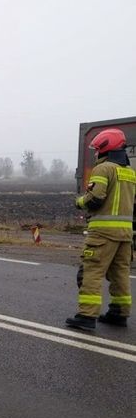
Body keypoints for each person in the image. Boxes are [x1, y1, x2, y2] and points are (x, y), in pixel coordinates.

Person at [66, 128, 134, 330]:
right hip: (126, 234)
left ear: (105, 149)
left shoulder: (103, 169)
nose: (95, 153)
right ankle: (119, 313)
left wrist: (79, 202)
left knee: (91, 271)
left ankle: (86, 316)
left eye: (96, 150)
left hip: (103, 234)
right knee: (120, 273)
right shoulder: (130, 173)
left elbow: (95, 198)